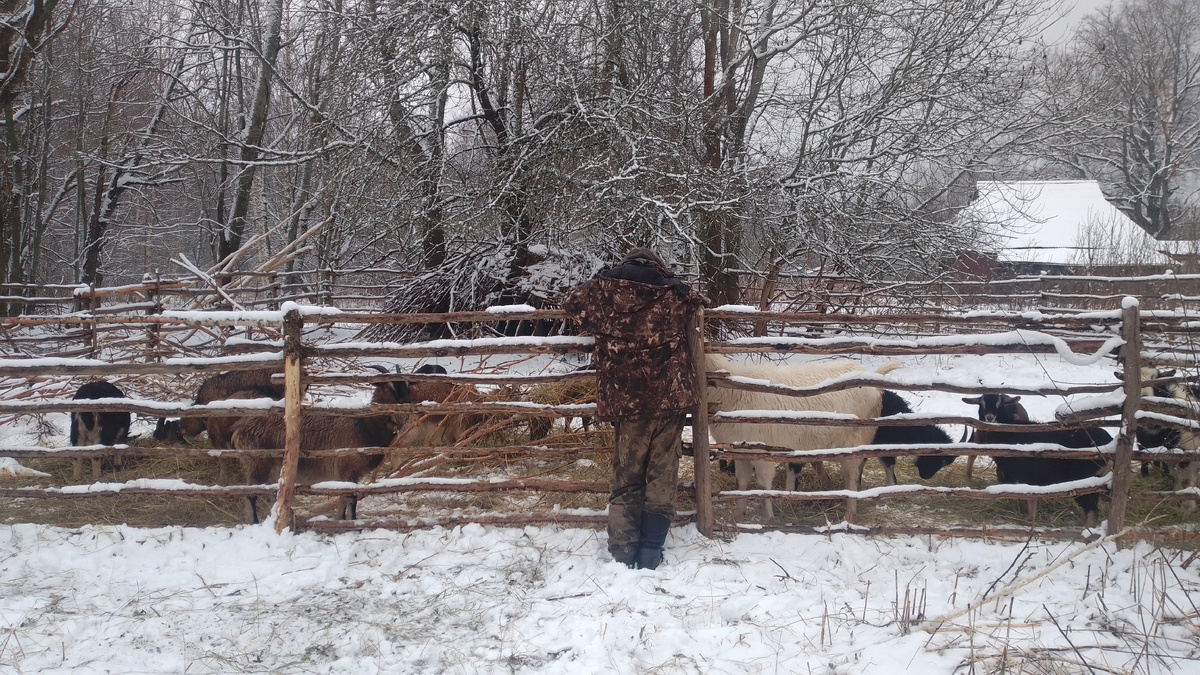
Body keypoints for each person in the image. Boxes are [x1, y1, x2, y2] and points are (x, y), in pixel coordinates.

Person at [562, 248, 707, 569]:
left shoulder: (599, 292)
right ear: (657, 265)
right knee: (662, 473)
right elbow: (700, 302)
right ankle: (650, 553)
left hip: (625, 398)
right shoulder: (672, 292)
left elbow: (571, 304)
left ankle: (623, 551)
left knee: (627, 475)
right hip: (669, 396)